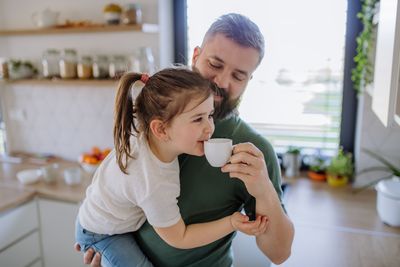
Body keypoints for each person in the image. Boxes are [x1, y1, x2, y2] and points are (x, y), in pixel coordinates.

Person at [77, 13, 294, 266]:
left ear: (249, 80)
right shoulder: (151, 115)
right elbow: (111, 183)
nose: (222, 82)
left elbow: (279, 254)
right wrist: (96, 236)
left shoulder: (252, 151)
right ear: (195, 56)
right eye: (215, 64)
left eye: (238, 76)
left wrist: (264, 189)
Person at [75, 67, 268, 267]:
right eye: (197, 119)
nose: (210, 127)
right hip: (101, 233)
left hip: (95, 217)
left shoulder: (145, 127)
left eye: (210, 115)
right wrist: (231, 223)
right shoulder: (153, 182)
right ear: (160, 129)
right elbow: (180, 237)